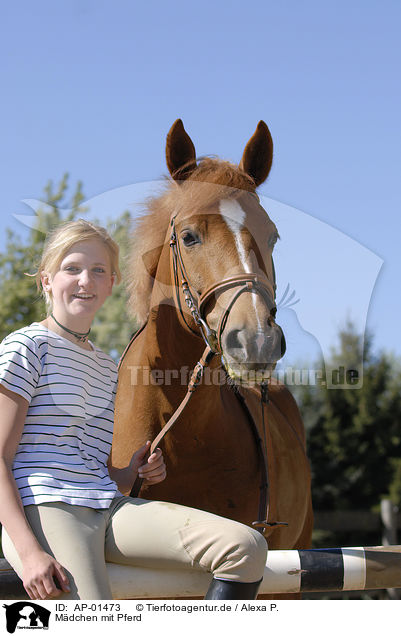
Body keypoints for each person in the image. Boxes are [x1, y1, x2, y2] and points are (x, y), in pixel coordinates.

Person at [0, 219, 267, 601]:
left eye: (98, 271)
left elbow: (91, 461)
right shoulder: (26, 346)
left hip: (109, 505)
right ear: (46, 280)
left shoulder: (107, 366)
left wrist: (130, 473)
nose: (85, 281)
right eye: (71, 268)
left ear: (112, 283)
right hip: (49, 508)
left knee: (246, 548)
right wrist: (29, 554)